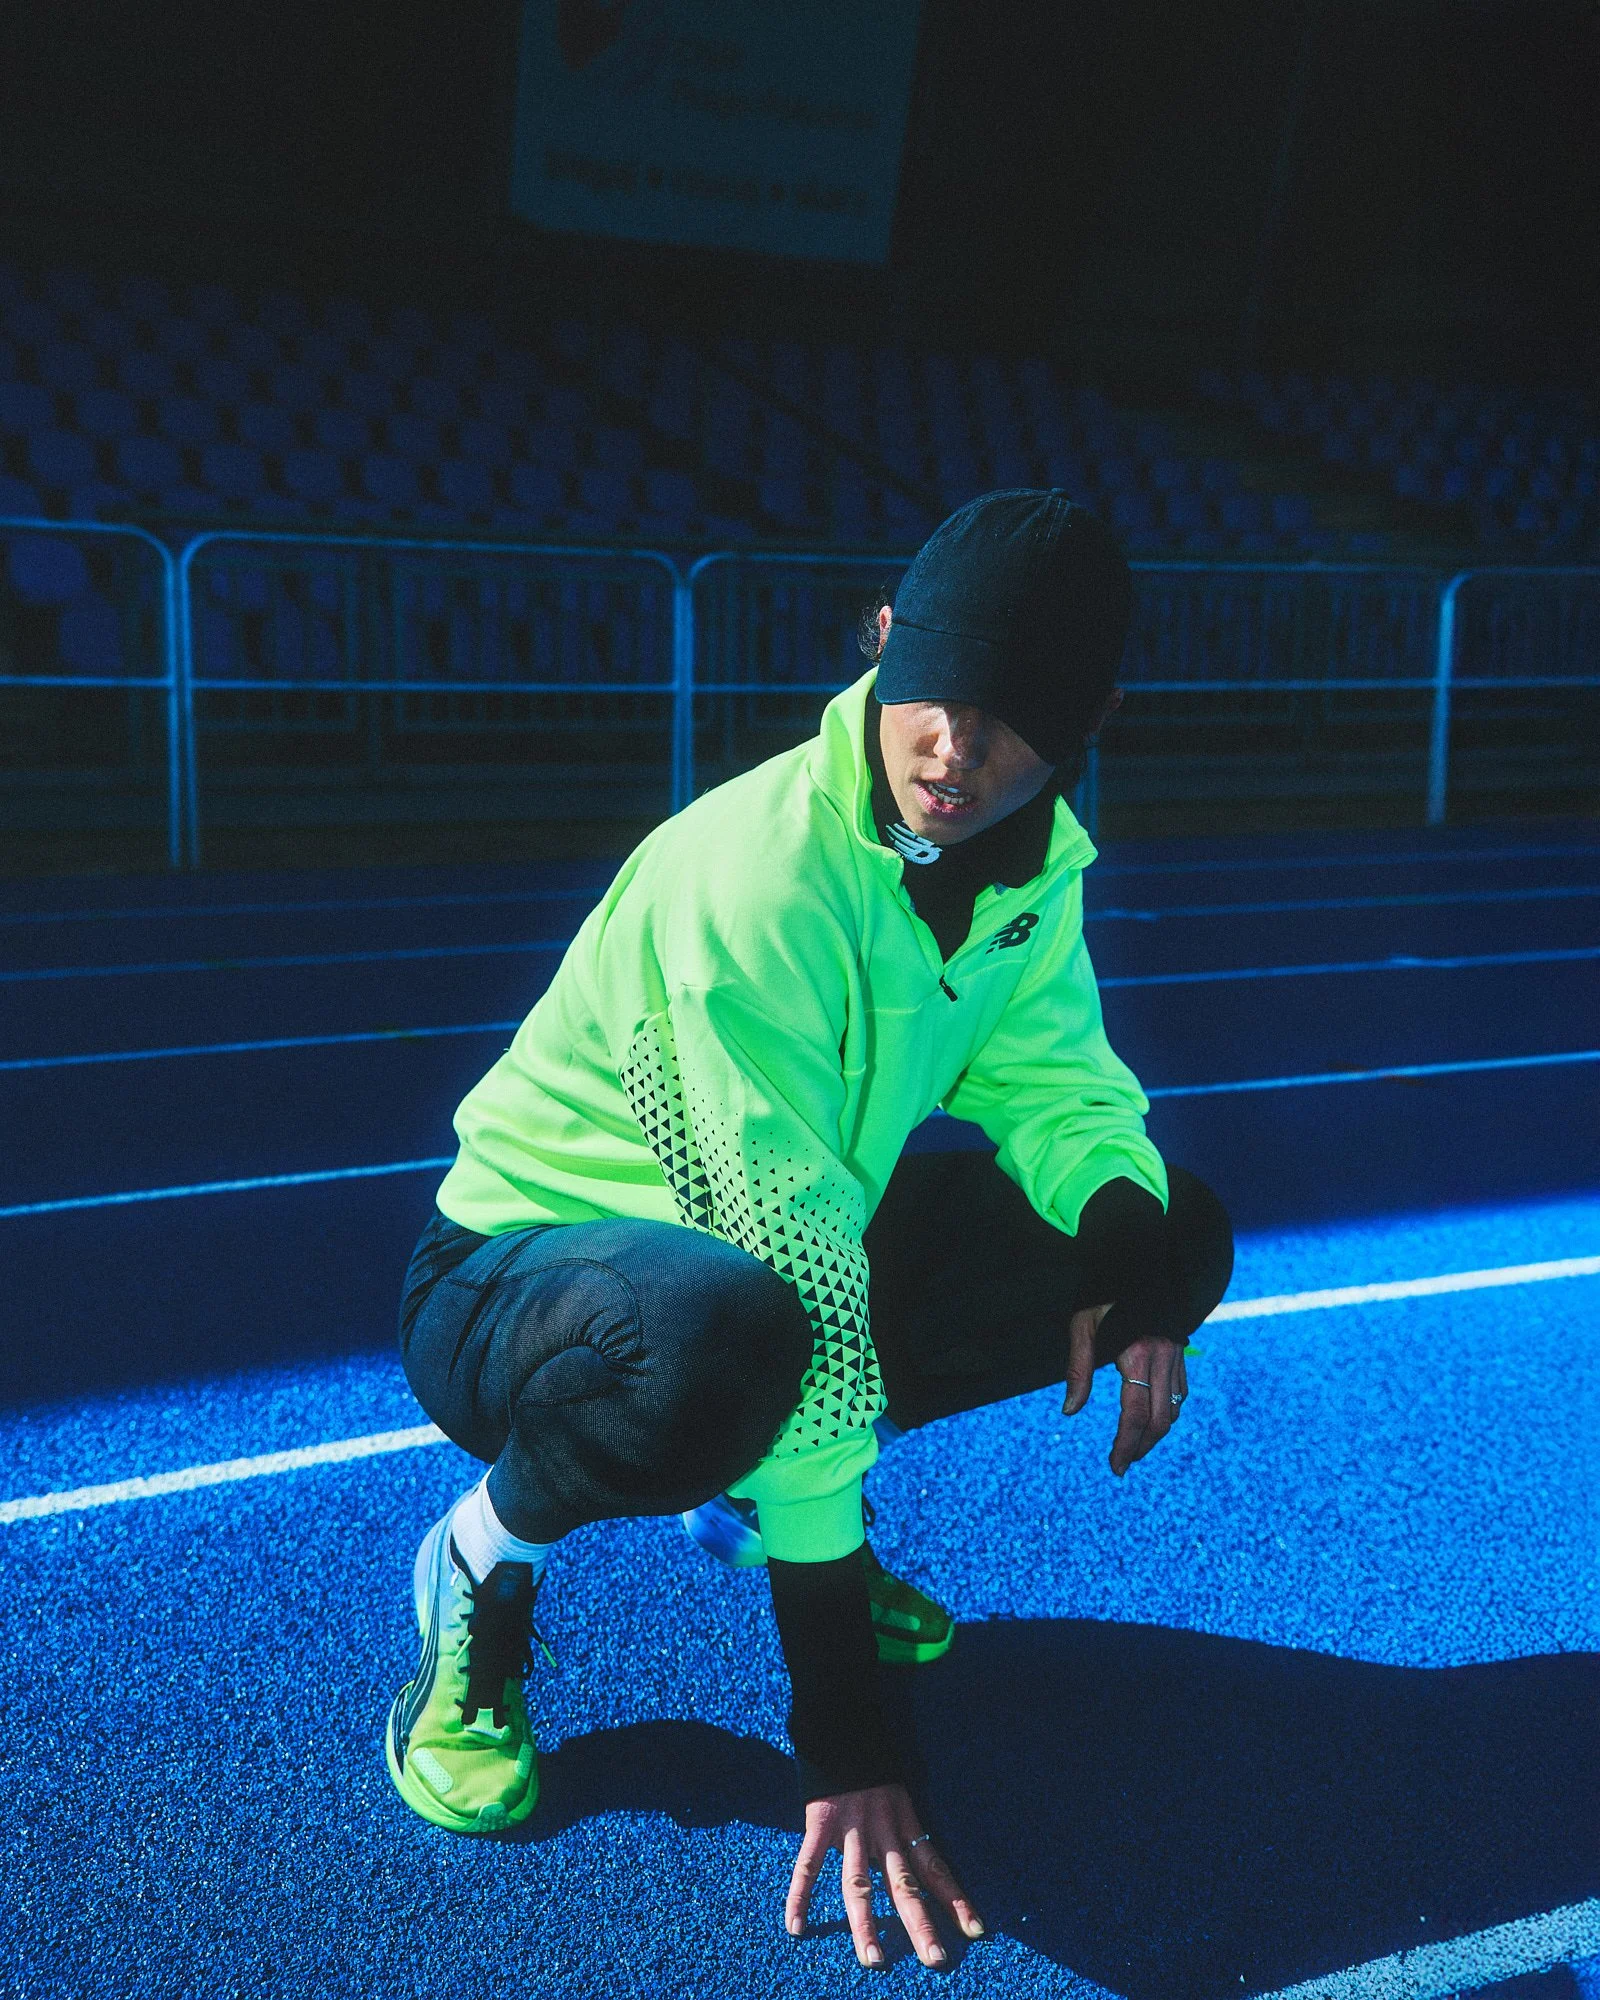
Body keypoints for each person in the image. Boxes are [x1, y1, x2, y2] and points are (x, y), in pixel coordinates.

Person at [385, 489, 1234, 1971]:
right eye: (937, 691)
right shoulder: (754, 877)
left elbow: (1060, 1087)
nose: (955, 749)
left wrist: (1126, 1257)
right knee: (736, 1347)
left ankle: (766, 1505)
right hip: (518, 1280)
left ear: (1090, 718)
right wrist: (844, 1730)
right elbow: (788, 1278)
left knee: (1171, 1235)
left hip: (770, 1248)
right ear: (888, 642)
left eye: (1012, 718)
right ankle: (478, 1560)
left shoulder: (1034, 873)